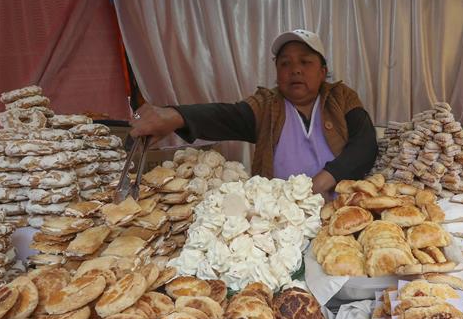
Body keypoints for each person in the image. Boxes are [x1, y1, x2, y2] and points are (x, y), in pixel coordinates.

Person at [129, 29, 378, 196]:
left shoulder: (341, 98)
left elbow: (365, 144)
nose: (295, 70)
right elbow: (227, 116)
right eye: (285, 63)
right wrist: (174, 116)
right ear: (277, 73)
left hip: (341, 210)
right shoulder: (267, 105)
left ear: (323, 72)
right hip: (282, 217)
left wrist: (321, 181)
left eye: (305, 61)